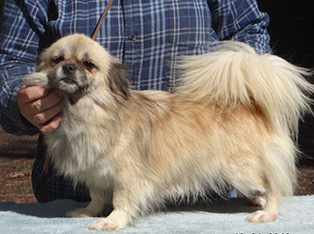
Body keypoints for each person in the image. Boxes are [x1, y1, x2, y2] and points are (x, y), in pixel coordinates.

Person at [0, 0, 271, 203]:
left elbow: (248, 31)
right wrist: (20, 100)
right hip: (74, 199)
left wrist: (247, 99)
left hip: (202, 191)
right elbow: (10, 62)